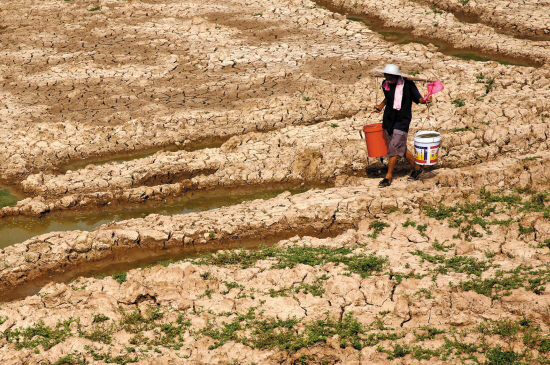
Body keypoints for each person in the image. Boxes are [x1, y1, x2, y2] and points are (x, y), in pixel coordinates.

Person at [372, 64, 432, 187]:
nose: (388, 78)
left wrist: (426, 99)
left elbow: (419, 99)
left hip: (402, 120)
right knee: (399, 146)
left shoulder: (408, 85)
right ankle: (416, 167)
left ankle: (388, 176)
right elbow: (388, 98)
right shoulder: (385, 84)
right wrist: (381, 106)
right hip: (389, 119)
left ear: (397, 76)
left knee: (394, 148)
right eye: (386, 75)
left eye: (390, 76)